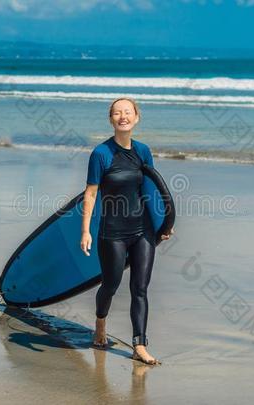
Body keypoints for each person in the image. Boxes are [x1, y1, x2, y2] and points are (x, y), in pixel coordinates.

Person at [80, 97, 173, 365]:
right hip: (113, 232)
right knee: (110, 284)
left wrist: (164, 224)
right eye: (118, 113)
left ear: (136, 117)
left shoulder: (143, 151)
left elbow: (152, 190)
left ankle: (139, 345)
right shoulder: (101, 153)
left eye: (128, 112)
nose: (123, 116)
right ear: (111, 119)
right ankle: (100, 323)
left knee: (140, 288)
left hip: (142, 230)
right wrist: (85, 231)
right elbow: (91, 193)